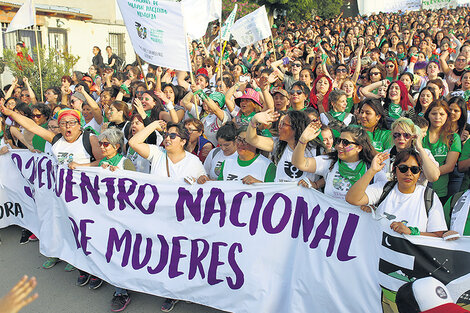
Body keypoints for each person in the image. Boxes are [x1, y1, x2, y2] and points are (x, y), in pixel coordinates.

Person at [128, 121, 205, 311]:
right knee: (160, 252)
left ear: (183, 141)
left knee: (178, 255)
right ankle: (164, 287)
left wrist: (201, 181)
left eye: (173, 136)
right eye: (166, 135)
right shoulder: (157, 154)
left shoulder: (193, 162)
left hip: (181, 219)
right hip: (156, 216)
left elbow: (204, 188)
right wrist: (153, 125)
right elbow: (134, 143)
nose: (168, 139)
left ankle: (176, 292)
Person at [346, 148, 447, 237]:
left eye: (414, 169)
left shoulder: (429, 197)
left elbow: (437, 235)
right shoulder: (383, 188)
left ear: (420, 172)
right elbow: (352, 198)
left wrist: (411, 232)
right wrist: (372, 171)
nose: (408, 173)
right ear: (394, 169)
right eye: (403, 168)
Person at [292, 124, 377, 200]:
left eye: (345, 143)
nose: (339, 146)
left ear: (359, 147)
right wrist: (303, 140)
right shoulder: (330, 162)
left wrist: (370, 206)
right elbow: (299, 163)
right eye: (339, 141)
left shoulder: (372, 169)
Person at [374, 117, 440, 186]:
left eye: (406, 135)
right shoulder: (385, 155)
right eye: (397, 135)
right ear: (392, 135)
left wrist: (420, 149)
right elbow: (379, 182)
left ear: (413, 136)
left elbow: (433, 177)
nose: (401, 138)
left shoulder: (424, 153)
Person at [423, 100, 461, 203]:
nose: (437, 117)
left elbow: (450, 166)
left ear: (447, 116)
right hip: (419, 188)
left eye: (441, 114)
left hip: (440, 192)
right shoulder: (420, 134)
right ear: (428, 115)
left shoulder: (453, 138)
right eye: (434, 113)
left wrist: (430, 174)